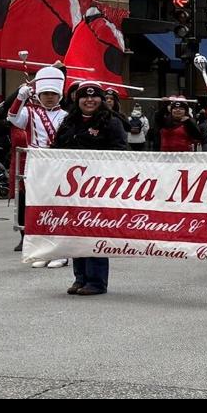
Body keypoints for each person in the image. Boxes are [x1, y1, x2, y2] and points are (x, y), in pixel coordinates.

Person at [52, 82, 129, 294]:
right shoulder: (69, 122)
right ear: (77, 100)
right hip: (72, 189)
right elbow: (56, 149)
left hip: (98, 188)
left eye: (94, 97)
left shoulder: (112, 122)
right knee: (76, 232)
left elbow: (121, 152)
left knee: (94, 233)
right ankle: (80, 278)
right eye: (84, 97)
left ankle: (96, 281)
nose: (89, 100)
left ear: (101, 100)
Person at [8, 65, 70, 266]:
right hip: (36, 164)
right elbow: (12, 118)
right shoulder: (29, 112)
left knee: (57, 207)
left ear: (59, 95)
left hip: (58, 163)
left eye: (53, 93)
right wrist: (20, 97)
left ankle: (60, 252)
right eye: (45, 94)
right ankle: (42, 251)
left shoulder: (66, 116)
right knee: (38, 206)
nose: (49, 97)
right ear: (39, 95)